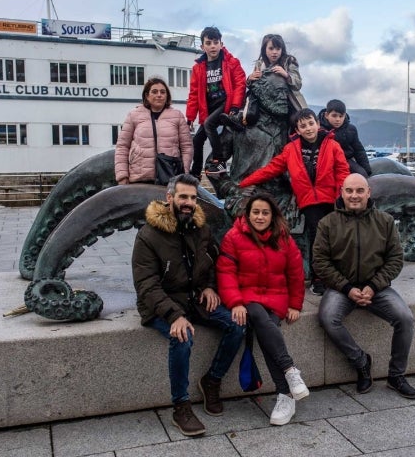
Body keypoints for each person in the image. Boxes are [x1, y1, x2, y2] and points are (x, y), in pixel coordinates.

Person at [131, 174, 245, 436]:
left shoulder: (200, 229)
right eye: (183, 197)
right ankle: (181, 406)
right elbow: (147, 285)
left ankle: (212, 381)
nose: (189, 203)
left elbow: (216, 261)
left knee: (237, 324)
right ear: (169, 198)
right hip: (161, 305)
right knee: (183, 337)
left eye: (193, 198)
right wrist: (174, 316)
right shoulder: (148, 235)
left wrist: (210, 286)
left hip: (194, 298)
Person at [312, 173, 415, 398]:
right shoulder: (328, 223)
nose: (354, 196)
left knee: (405, 318)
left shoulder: (385, 221)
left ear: (368, 193)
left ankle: (396, 375)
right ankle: (360, 361)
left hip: (377, 288)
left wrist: (373, 286)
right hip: (342, 288)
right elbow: (320, 262)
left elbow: (395, 259)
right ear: (341, 192)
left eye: (359, 191)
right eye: (349, 191)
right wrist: (347, 288)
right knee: (328, 318)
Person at [217, 193, 309, 426]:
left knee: (266, 331)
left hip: (276, 299)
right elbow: (225, 273)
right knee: (257, 314)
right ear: (247, 214)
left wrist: (294, 305)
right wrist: (236, 302)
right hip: (247, 297)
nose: (260, 216)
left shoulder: (284, 238)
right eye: (255, 212)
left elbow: (296, 274)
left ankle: (286, 391)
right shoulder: (233, 237)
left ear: (272, 216)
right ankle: (289, 376)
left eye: (265, 212)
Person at [239, 108, 349, 295]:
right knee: (317, 237)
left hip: (331, 198)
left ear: (318, 124)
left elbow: (342, 171)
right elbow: (271, 168)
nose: (308, 128)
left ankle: (338, 275)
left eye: (311, 123)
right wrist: (244, 183)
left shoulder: (332, 145)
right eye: (303, 126)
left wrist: (341, 195)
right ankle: (318, 278)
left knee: (336, 237)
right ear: (297, 130)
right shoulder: (291, 150)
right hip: (309, 202)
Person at [222, 34, 307, 182]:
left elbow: (297, 83)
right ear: (265, 49)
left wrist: (285, 75)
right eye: (271, 48)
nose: (275, 52)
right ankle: (240, 117)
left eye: (278, 48)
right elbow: (254, 85)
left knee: (296, 128)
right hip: (264, 102)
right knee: (251, 110)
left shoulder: (289, 61)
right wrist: (250, 79)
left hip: (289, 103)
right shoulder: (260, 63)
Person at [185, 26, 246, 179]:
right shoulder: (198, 68)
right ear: (202, 46)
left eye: (215, 42)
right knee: (197, 140)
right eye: (208, 43)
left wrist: (235, 106)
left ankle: (219, 160)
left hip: (225, 105)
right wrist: (190, 117)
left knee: (208, 124)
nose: (212, 46)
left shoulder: (231, 62)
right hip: (209, 108)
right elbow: (193, 93)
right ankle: (195, 173)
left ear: (221, 43)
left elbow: (240, 83)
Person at [115, 77, 192, 185]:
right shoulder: (134, 115)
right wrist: (122, 176)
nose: (159, 95)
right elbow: (122, 146)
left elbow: (186, 146)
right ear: (147, 95)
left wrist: (184, 173)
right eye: (154, 92)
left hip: (170, 176)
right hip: (140, 176)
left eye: (163, 92)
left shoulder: (177, 116)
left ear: (167, 95)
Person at [318, 99, 372, 176]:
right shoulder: (320, 130)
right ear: (327, 115)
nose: (338, 119)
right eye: (334, 115)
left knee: (362, 174)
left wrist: (366, 170)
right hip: (327, 161)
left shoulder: (351, 130)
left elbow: (359, 150)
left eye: (341, 116)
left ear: (345, 115)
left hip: (346, 159)